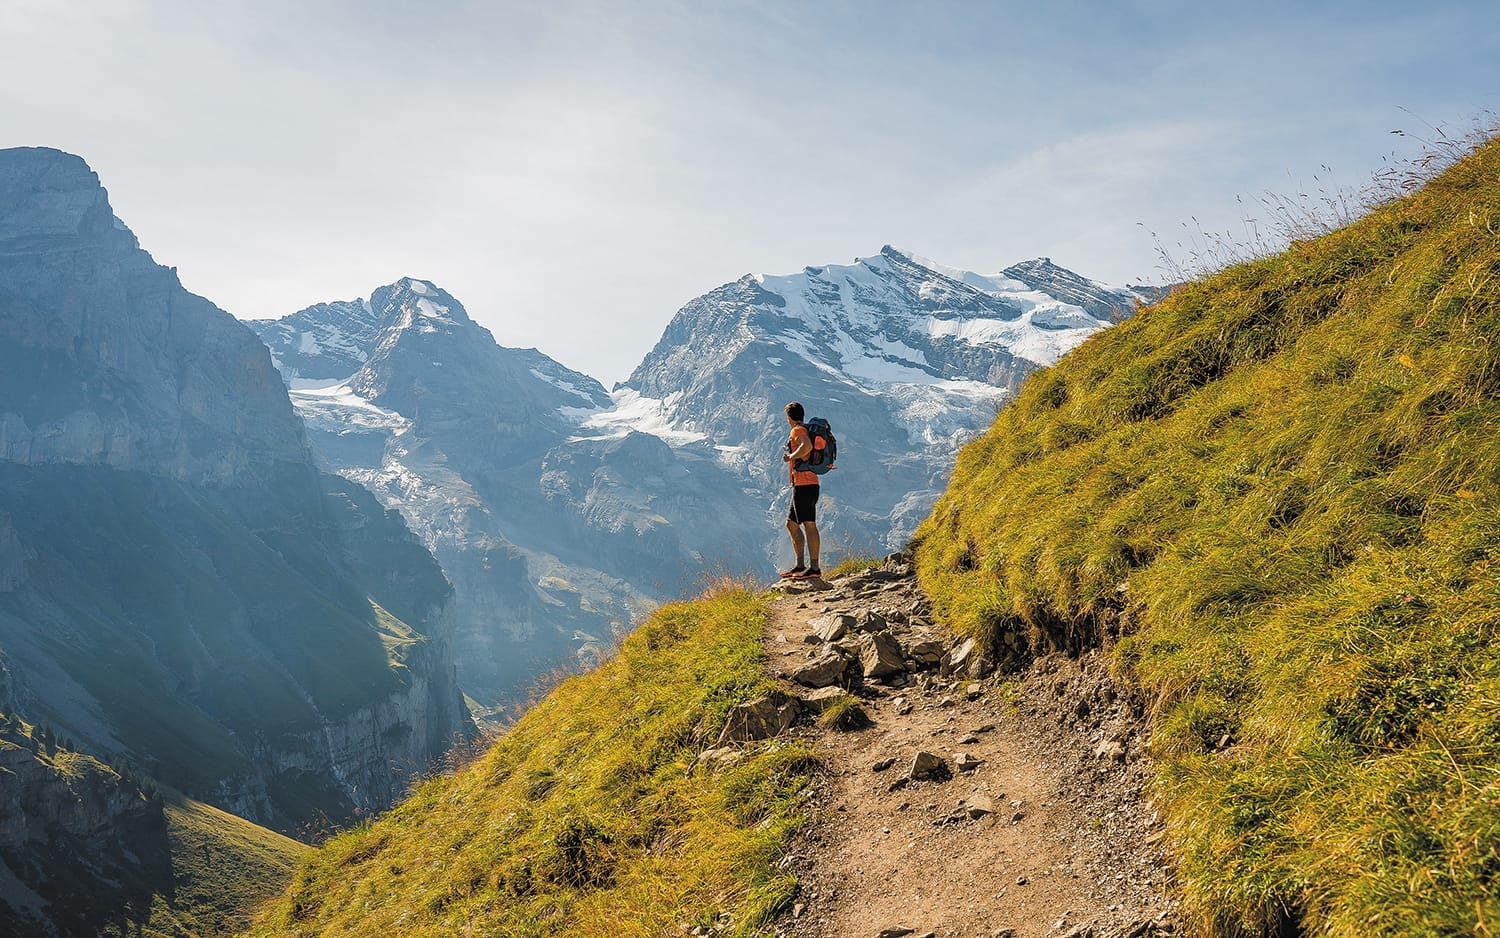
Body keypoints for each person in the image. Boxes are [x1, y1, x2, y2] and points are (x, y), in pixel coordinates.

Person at [780, 401, 821, 579]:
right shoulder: (804, 429)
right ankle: (800, 566)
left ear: (789, 417)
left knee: (809, 524)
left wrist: (790, 456)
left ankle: (814, 569)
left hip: (805, 484)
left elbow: (807, 447)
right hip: (803, 484)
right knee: (792, 524)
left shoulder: (797, 430)